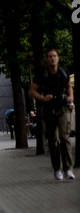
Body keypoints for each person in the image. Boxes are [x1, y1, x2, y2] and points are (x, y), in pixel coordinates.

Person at [30, 48, 75, 180]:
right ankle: (57, 168)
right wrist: (43, 98)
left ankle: (68, 168)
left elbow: (68, 86)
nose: (52, 58)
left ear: (58, 58)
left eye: (55, 56)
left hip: (62, 108)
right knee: (53, 141)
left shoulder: (63, 72)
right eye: (50, 56)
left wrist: (70, 97)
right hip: (48, 110)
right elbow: (32, 90)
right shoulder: (42, 74)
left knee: (64, 137)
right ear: (47, 59)